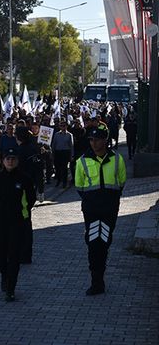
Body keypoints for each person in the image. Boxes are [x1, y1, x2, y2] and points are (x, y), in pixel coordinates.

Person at [75, 123, 126, 296]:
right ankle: (96, 280)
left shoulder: (117, 159)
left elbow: (121, 182)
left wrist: (110, 200)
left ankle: (99, 276)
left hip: (109, 210)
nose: (94, 143)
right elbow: (79, 186)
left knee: (104, 242)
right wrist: (92, 200)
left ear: (105, 141)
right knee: (93, 243)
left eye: (97, 140)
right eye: (91, 140)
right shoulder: (82, 161)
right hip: (91, 210)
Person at [0, 147, 36, 302]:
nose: (10, 161)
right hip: (0, 221)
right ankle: (4, 274)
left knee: (14, 255)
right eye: (7, 158)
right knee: (0, 253)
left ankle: (11, 288)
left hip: (18, 222)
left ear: (17, 160)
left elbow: (31, 199)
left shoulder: (25, 179)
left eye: (13, 159)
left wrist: (22, 212)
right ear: (3, 161)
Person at [51, 121, 74, 188]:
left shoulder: (69, 135)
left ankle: (64, 182)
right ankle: (59, 180)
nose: (63, 127)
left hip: (65, 153)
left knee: (64, 168)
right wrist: (52, 153)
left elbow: (71, 146)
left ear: (66, 126)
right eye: (61, 126)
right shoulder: (56, 134)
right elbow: (54, 144)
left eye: (64, 126)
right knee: (57, 168)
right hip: (58, 152)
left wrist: (72, 155)